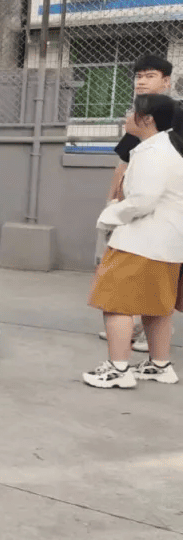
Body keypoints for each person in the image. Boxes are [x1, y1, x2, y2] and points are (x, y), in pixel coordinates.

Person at [85, 93, 183, 389]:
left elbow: (142, 200)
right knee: (156, 308)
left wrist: (109, 215)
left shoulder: (154, 153)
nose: (126, 116)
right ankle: (159, 365)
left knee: (115, 303)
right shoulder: (165, 148)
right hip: (165, 243)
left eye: (131, 111)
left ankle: (118, 370)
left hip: (141, 242)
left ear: (147, 119)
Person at [99, 56, 175, 353]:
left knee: (159, 284)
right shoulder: (139, 119)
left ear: (166, 81)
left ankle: (135, 350)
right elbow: (123, 164)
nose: (141, 81)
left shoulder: (171, 118)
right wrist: (112, 202)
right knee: (143, 281)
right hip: (135, 219)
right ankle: (139, 334)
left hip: (161, 220)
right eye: (138, 76)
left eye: (150, 76)